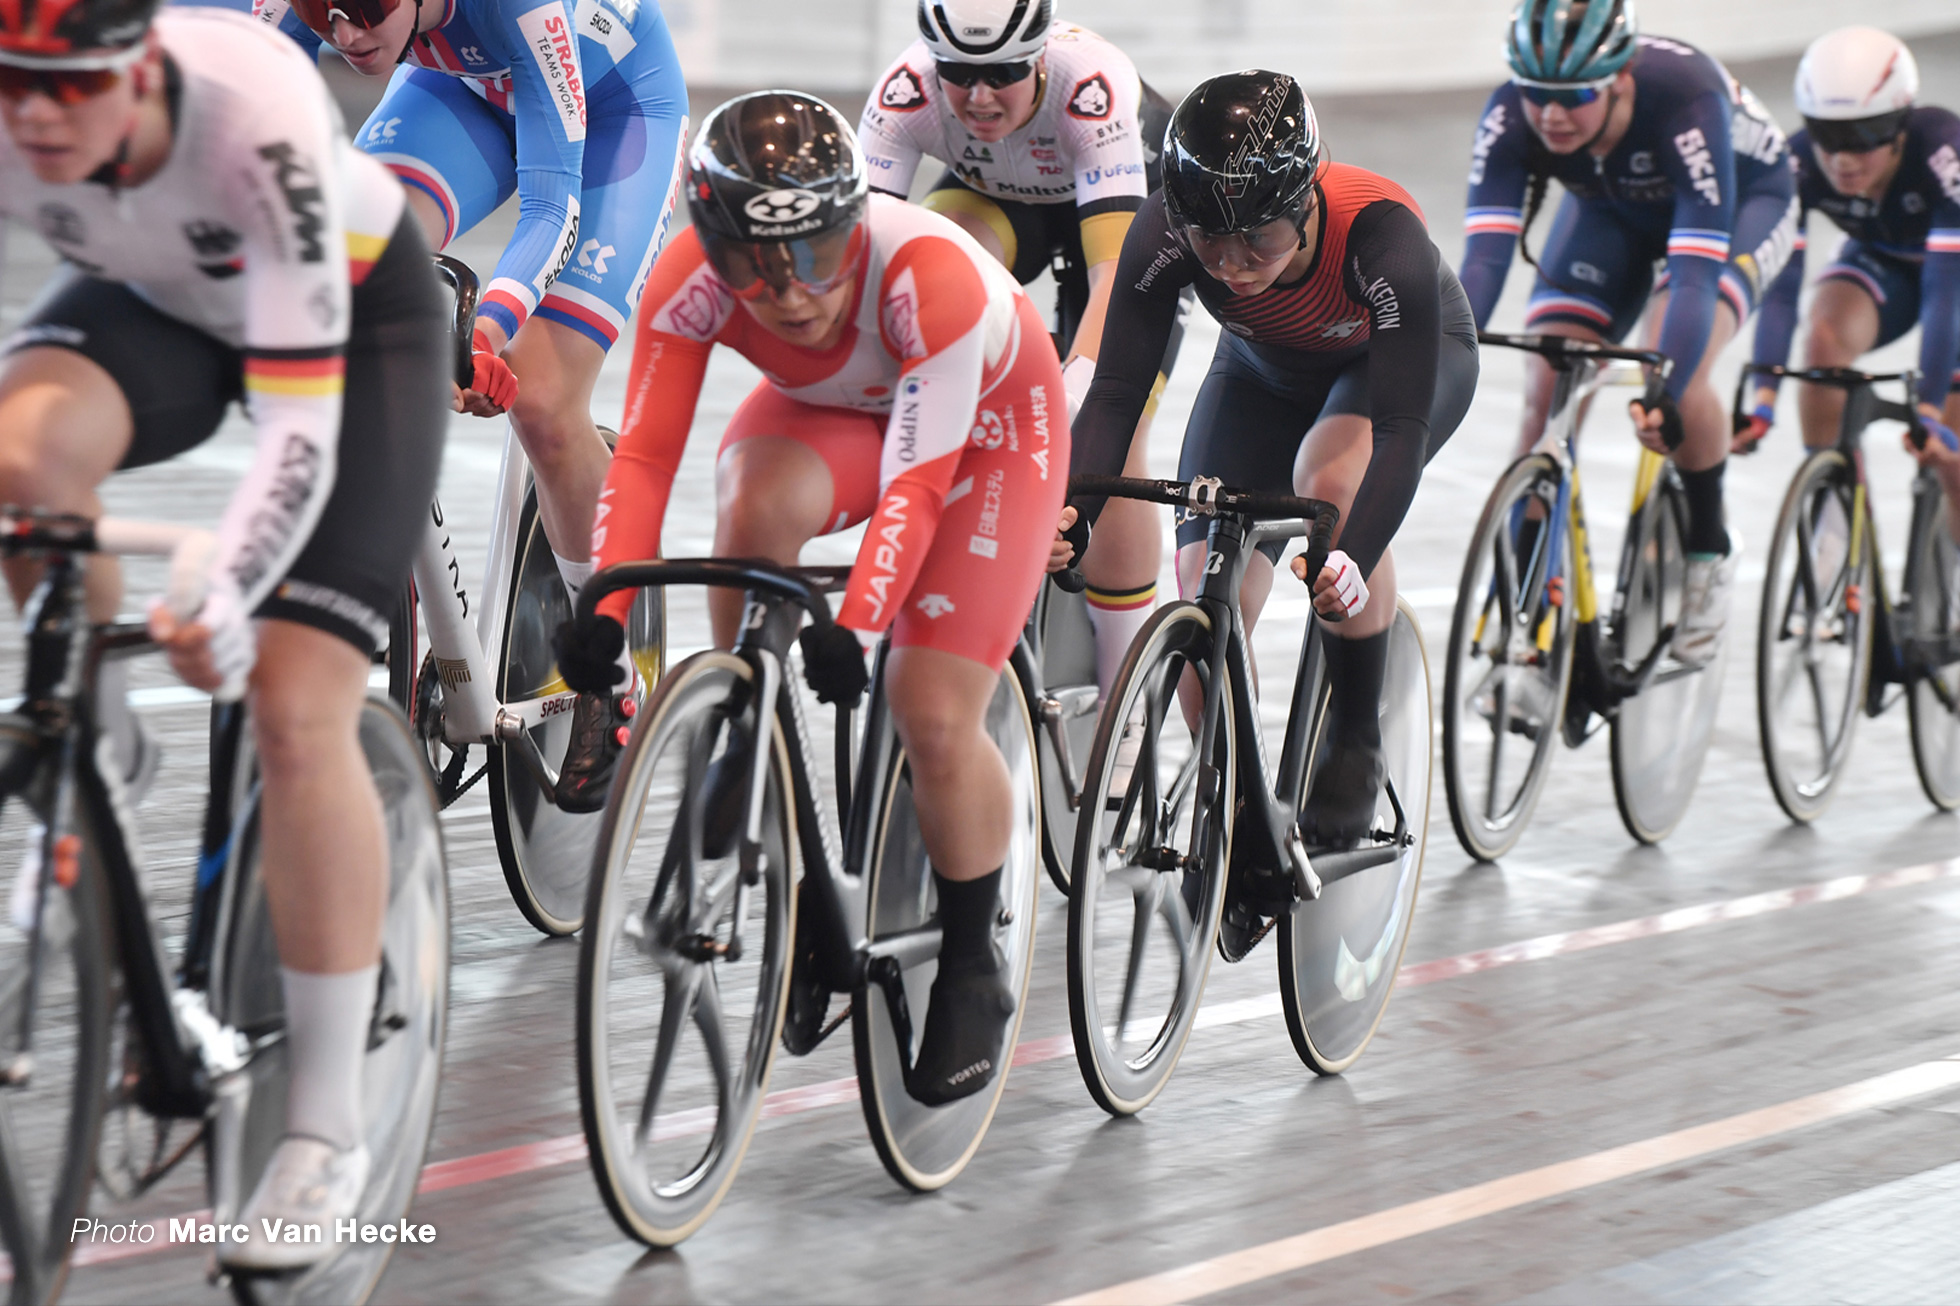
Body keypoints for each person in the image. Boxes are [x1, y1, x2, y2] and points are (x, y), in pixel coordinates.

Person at [0, 1, 447, 1267]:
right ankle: (93, 736)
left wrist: (224, 587)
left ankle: (323, 1129)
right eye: (11, 84)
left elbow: (298, 438)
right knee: (22, 461)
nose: (32, 118)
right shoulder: (27, 111)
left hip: (354, 327)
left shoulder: (254, 116)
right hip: (162, 295)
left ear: (139, 70)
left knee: (297, 702)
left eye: (68, 88)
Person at [553, 93, 1067, 1106]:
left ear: (854, 224)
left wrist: (857, 627)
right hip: (834, 409)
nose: (788, 295)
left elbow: (921, 485)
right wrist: (603, 612)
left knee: (927, 704)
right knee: (747, 507)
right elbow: (648, 454)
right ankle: (746, 738)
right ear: (712, 249)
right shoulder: (688, 279)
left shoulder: (929, 279)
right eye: (753, 265)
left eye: (816, 256)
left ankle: (972, 958)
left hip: (990, 428)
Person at [255, 0, 689, 809]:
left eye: (367, 10)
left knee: (545, 398)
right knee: (353, 264)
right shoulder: (333, 14)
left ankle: (612, 672)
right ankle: (406, 609)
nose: (346, 34)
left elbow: (551, 210)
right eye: (325, 12)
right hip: (460, 92)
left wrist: (487, 332)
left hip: (607, 115)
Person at [1065, 70, 1478, 864]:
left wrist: (1351, 558)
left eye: (1257, 238)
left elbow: (1398, 430)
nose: (1231, 264)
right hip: (1260, 376)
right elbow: (1116, 393)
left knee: (1330, 481)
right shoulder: (1169, 231)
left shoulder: (1381, 235)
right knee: (1201, 600)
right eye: (1210, 242)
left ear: (1306, 202)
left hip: (1392, 375)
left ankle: (1356, 735)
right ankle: (1246, 807)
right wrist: (1074, 512)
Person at [860, 0, 1186, 698]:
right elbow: (861, 267)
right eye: (959, 73)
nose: (977, 97)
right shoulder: (905, 91)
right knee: (931, 278)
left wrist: (1067, 396)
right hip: (994, 204)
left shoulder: (1089, 86)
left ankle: (1125, 698)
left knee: (1115, 438)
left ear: (1039, 57)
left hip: (1131, 219)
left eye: (1002, 72)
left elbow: (1112, 290)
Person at [1459, 0, 1797, 667]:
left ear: (1620, 80)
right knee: (1546, 388)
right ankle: (1526, 598)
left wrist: (1665, 390)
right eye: (1537, 95)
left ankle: (1708, 551)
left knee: (1675, 365)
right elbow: (1483, 262)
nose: (1551, 115)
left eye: (1574, 96)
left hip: (1739, 207)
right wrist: (1440, 349)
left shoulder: (1684, 100)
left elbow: (1697, 276)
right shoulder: (1507, 117)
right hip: (1609, 213)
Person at [1742, 27, 1960, 538]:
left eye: (1864, 137)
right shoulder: (1795, 163)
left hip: (1953, 275)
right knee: (1821, 343)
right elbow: (1781, 287)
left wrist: (1927, 406)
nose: (1843, 158)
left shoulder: (1942, 152)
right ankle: (1832, 535)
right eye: (1827, 135)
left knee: (1950, 447)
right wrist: (1764, 398)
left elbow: (1946, 294)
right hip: (1884, 262)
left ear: (1901, 126)